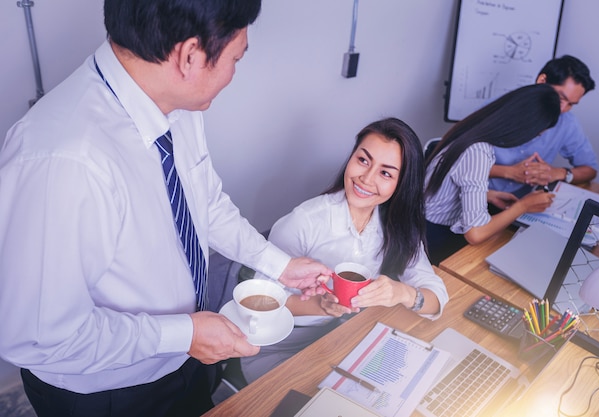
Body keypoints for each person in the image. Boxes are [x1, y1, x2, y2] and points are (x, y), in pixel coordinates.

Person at [0, 1, 332, 416]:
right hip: (106, 392)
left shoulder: (174, 104)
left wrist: (279, 266)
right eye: (235, 58)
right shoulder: (61, 161)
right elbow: (36, 336)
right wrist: (181, 334)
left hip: (181, 352)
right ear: (190, 55)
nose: (233, 73)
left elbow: (204, 204)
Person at [240, 118, 450, 384]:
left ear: (402, 184)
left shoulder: (397, 226)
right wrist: (321, 306)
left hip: (339, 342)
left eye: (386, 173)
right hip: (278, 347)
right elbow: (258, 303)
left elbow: (436, 295)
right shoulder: (304, 221)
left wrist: (403, 293)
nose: (366, 177)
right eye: (363, 160)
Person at [424, 84, 561, 265]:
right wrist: (523, 205)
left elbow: (447, 181)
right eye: (536, 134)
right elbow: (475, 233)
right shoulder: (479, 151)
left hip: (422, 225)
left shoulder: (472, 127)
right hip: (434, 242)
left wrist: (487, 195)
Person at [489, 55, 598, 199]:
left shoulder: (567, 122)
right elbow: (455, 161)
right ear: (542, 81)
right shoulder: (498, 108)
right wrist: (509, 172)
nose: (562, 109)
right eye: (561, 98)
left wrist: (557, 173)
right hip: (479, 196)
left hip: (522, 204)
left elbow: (590, 169)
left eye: (571, 104)